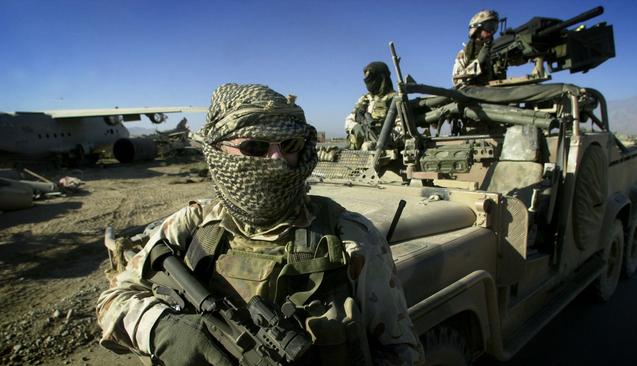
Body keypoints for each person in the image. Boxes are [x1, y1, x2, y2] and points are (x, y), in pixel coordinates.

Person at [96, 83, 423, 365]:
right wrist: (161, 329)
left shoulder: (350, 238)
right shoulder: (193, 225)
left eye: (289, 146)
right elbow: (114, 299)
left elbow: (403, 353)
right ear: (219, 152)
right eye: (255, 147)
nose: (277, 160)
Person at [345, 62, 398, 150]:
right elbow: (348, 120)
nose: (369, 84)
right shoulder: (365, 99)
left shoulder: (395, 99)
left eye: (371, 79)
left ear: (381, 78)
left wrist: (384, 135)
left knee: (367, 147)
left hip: (386, 146)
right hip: (360, 147)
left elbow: (401, 128)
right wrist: (357, 128)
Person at [452, 10, 502, 88]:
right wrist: (478, 63)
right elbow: (456, 80)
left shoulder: (495, 48)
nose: (492, 31)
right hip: (472, 94)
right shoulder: (464, 53)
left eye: (495, 27)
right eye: (489, 26)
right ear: (476, 29)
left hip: (493, 92)